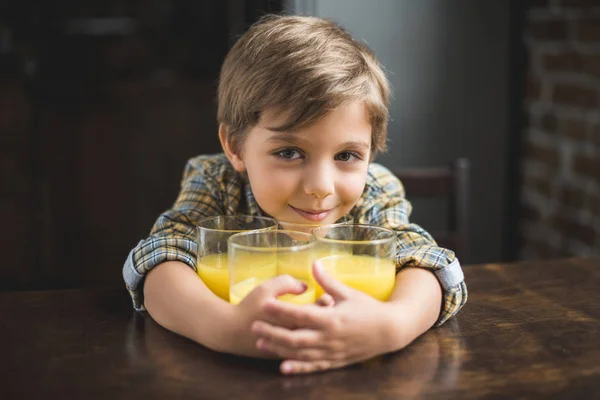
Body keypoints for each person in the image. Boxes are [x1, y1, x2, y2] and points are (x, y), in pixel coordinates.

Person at [122, 14, 467, 375]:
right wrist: (226, 328)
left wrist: (391, 326)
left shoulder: (374, 192)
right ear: (235, 147)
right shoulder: (217, 182)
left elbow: (426, 263)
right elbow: (160, 260)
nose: (320, 186)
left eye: (347, 156)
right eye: (289, 152)